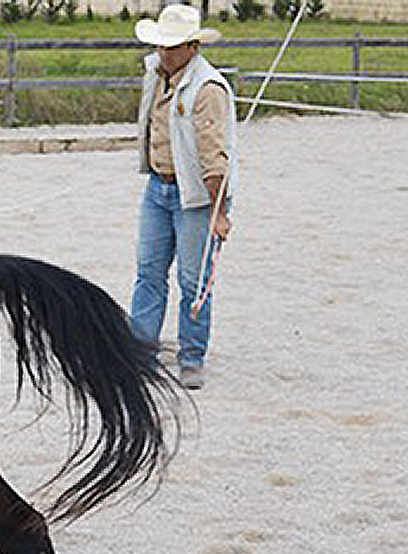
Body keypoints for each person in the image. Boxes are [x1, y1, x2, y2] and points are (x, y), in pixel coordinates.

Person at [130, 4, 238, 390]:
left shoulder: (207, 89)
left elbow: (214, 155)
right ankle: (140, 351)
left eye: (172, 47)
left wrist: (219, 210)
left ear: (192, 47)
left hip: (195, 196)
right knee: (148, 273)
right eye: (161, 46)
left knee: (194, 281)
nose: (164, 53)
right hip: (157, 186)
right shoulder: (155, 75)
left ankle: (192, 357)